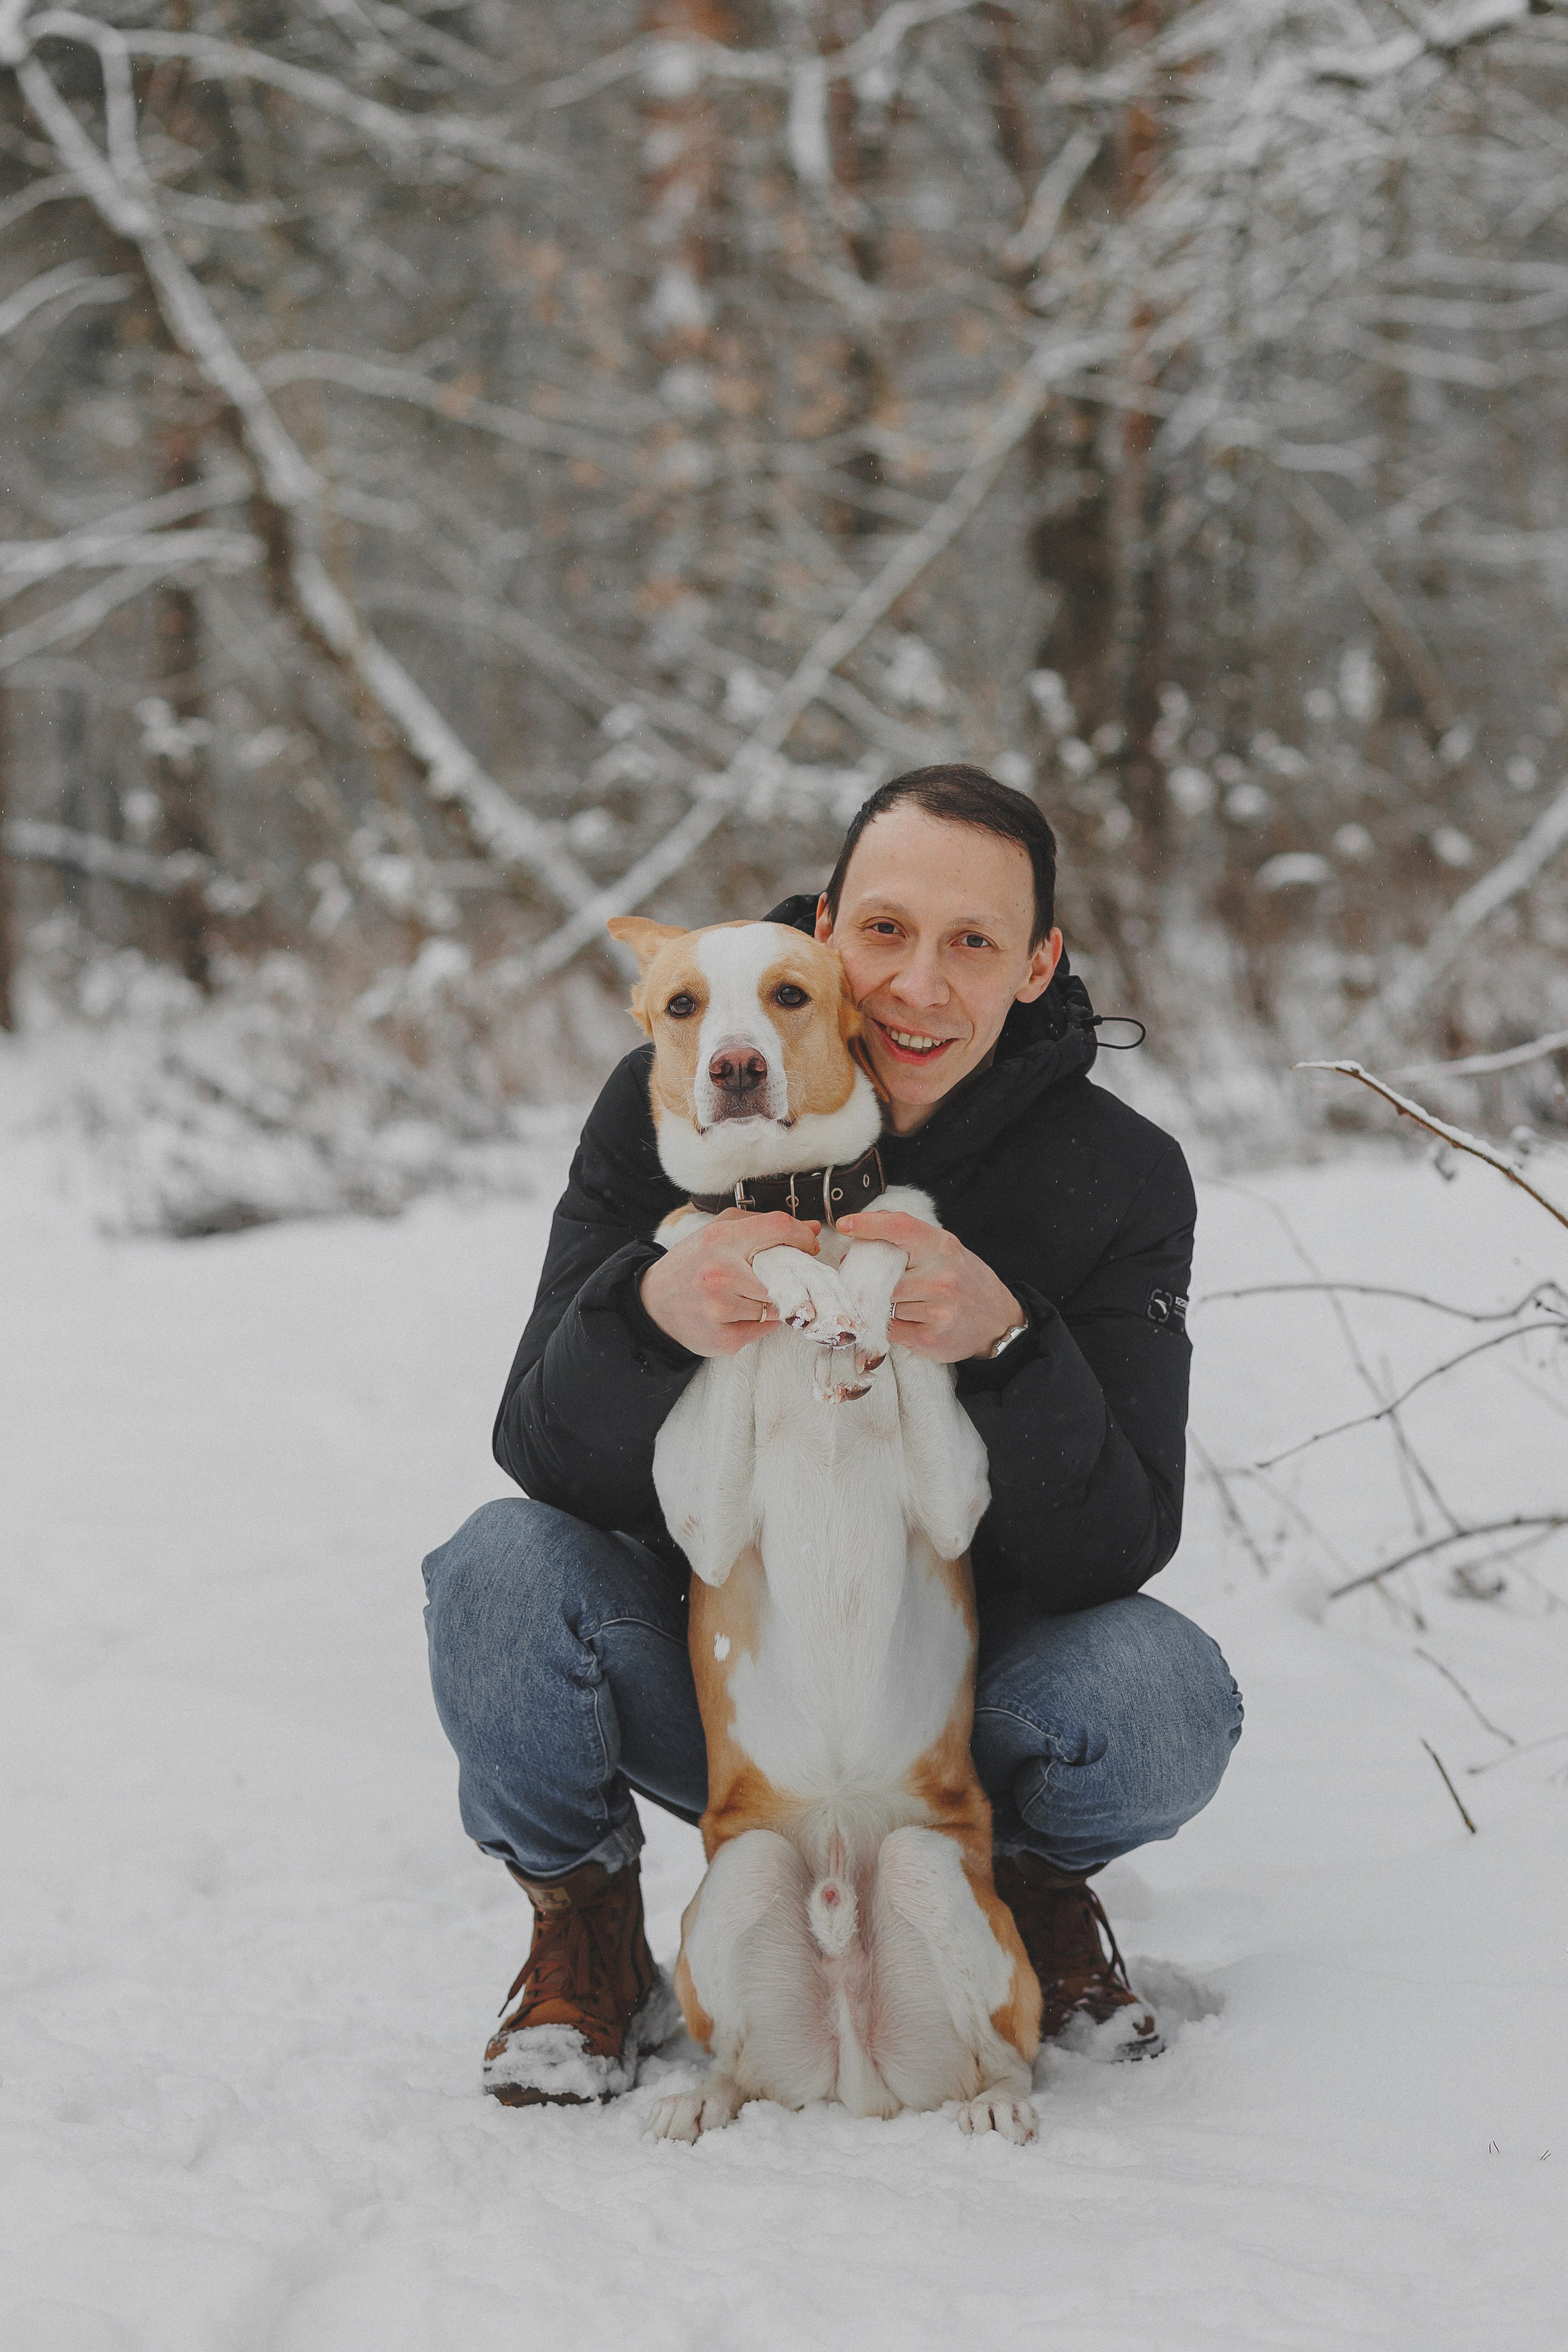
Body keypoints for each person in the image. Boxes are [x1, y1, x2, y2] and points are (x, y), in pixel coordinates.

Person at [422, 764, 1242, 2106]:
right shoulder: (675, 1092)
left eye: (972, 942)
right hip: (735, 1696)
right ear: (824, 928)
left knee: (1159, 1692)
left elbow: (1120, 1543)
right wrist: (645, 1310)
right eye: (884, 932)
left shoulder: (1119, 1174)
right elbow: (543, 1456)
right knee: (499, 1571)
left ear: (1038, 963)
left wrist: (1005, 1343)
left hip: (953, 1706)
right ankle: (586, 1926)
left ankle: (1020, 1893)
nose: (919, 983)